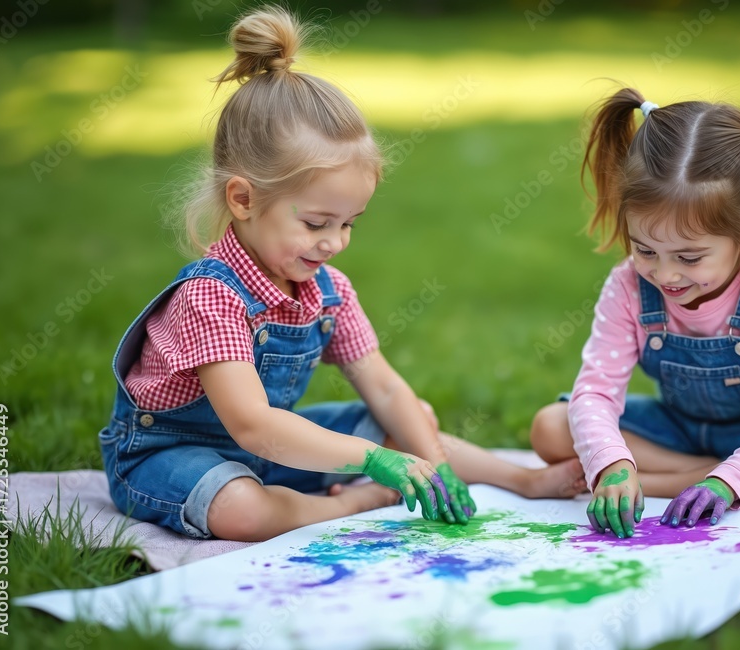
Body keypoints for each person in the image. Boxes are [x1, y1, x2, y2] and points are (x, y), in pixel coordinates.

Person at [99, 6, 585, 542]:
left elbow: (383, 387)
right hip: (169, 454)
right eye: (314, 223)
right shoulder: (212, 296)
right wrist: (375, 465)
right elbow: (253, 424)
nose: (333, 243)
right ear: (243, 199)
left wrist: (431, 460)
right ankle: (354, 503)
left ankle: (520, 478)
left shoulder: (328, 290)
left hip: (267, 454)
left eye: (349, 223)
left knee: (411, 419)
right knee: (243, 511)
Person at [529, 90, 740, 538]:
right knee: (550, 426)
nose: (664, 274)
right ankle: (687, 475)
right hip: (683, 425)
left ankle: (680, 482)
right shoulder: (629, 284)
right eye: (645, 248)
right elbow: (596, 393)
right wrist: (611, 464)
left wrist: (728, 482)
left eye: (689, 257)